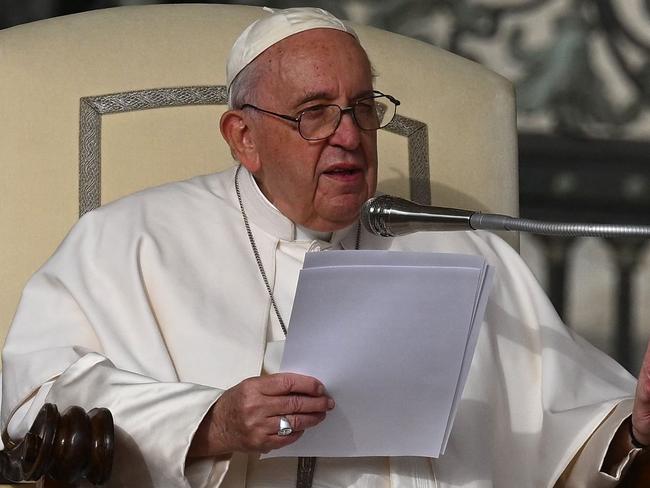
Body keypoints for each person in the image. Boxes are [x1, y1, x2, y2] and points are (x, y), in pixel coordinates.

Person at [1, 6, 649, 488]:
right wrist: (209, 422)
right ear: (243, 137)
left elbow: (573, 420)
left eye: (362, 107)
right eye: (314, 111)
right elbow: (36, 396)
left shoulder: (459, 250)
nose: (348, 135)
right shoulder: (130, 239)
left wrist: (635, 430)